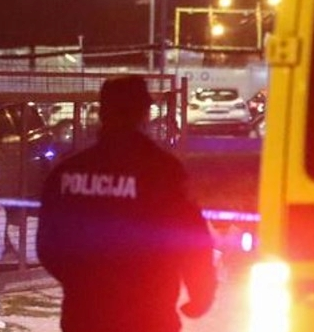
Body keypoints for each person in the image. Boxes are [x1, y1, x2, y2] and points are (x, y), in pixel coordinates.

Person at [37, 75, 216, 332]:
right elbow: (191, 237)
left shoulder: (67, 172)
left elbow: (48, 244)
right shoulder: (164, 170)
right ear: (144, 114)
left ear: (103, 113)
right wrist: (201, 293)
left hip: (85, 314)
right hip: (149, 315)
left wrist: (82, 282)